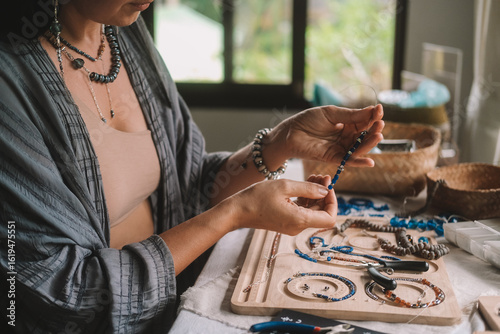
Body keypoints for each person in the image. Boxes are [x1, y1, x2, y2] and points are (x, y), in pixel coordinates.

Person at [0, 0, 384, 332]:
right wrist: (237, 213)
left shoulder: (123, 36)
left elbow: (185, 190)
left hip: (175, 308)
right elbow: (61, 293)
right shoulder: (10, 86)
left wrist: (280, 144)